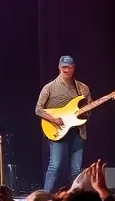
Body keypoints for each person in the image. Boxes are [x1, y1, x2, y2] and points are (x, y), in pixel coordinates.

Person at [35, 55, 91, 193]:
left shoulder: (83, 88)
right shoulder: (49, 88)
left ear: (73, 68)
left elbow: (88, 109)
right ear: (59, 68)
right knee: (55, 165)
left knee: (76, 169)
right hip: (57, 130)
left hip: (77, 131)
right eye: (63, 67)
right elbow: (38, 109)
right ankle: (45, 196)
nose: (66, 70)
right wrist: (54, 119)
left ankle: (74, 197)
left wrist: (85, 112)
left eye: (69, 67)